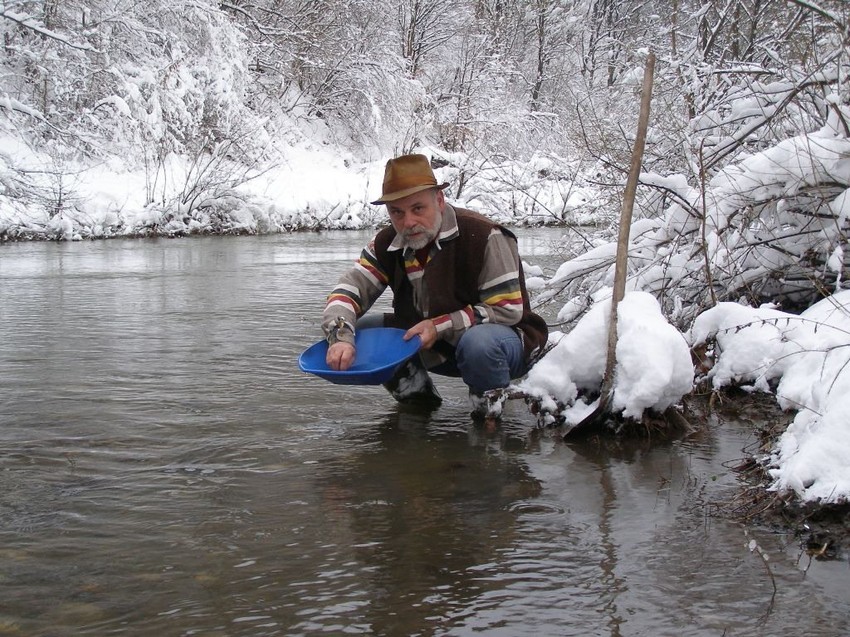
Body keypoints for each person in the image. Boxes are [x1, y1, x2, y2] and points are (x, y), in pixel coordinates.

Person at [322, 154, 548, 420]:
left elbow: (508, 310)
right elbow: (348, 291)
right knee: (363, 330)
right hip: (434, 345)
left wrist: (439, 326)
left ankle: (489, 419)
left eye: (418, 209)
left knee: (479, 343)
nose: (408, 222)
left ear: (439, 201)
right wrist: (340, 338)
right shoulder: (385, 243)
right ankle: (418, 409)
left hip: (504, 345)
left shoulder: (485, 235)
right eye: (397, 212)